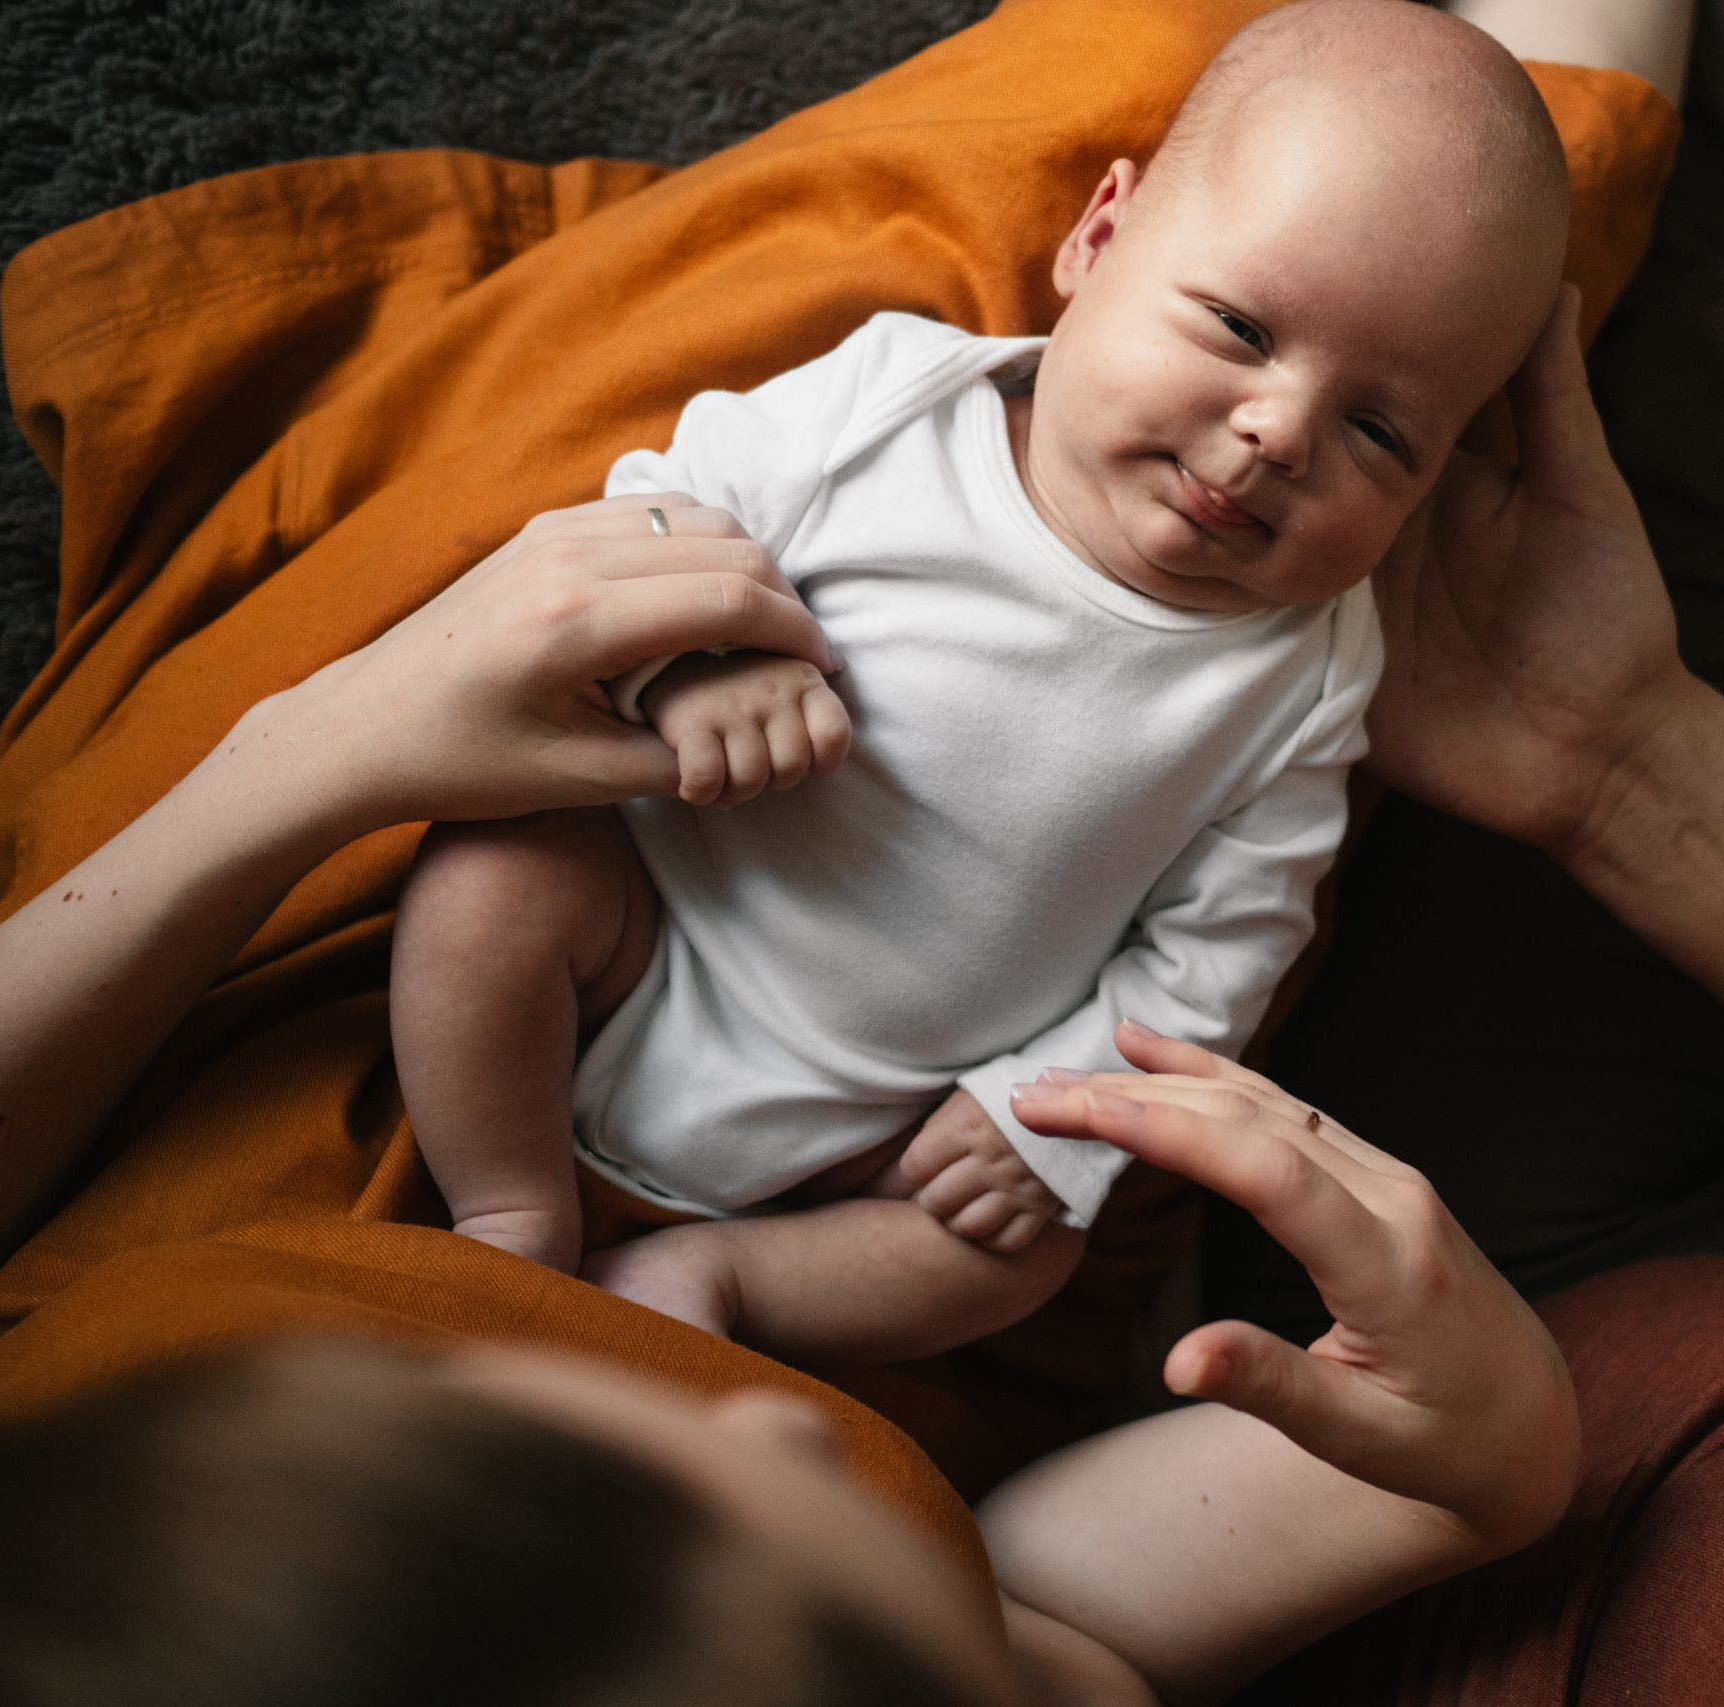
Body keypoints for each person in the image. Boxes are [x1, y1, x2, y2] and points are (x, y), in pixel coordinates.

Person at [0, 0, 1724, 1698]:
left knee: (1575, 165)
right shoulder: (952, 1606)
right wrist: (1454, 1407)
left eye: (1358, 425)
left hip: (485, 952)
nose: (738, 1411)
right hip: (1424, 1231)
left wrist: (330, 738)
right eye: (816, 1517)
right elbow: (1226, 1488)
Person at [384, 0, 1573, 1366]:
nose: (1279, 431)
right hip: (646, 928)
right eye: (1241, 326)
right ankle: (512, 1212)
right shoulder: (892, 408)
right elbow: (660, 503)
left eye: (1380, 430)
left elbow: (1223, 948)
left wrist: (1035, 1111)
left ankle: (715, 1277)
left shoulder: (1306, 678)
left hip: (891, 1126)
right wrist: (694, 660)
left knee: (1018, 1253)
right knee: (489, 878)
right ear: (1100, 240)